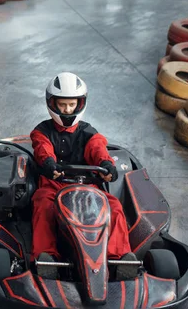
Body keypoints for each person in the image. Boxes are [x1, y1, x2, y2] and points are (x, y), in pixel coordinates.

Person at [30, 72, 137, 280]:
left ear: (80, 104)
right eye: (62, 105)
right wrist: (49, 163)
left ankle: (119, 257)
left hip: (88, 188)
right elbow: (42, 149)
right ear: (52, 104)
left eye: (71, 105)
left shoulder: (88, 132)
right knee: (42, 203)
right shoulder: (42, 131)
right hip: (54, 185)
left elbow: (98, 149)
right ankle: (46, 257)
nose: (67, 110)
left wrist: (106, 165)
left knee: (113, 206)